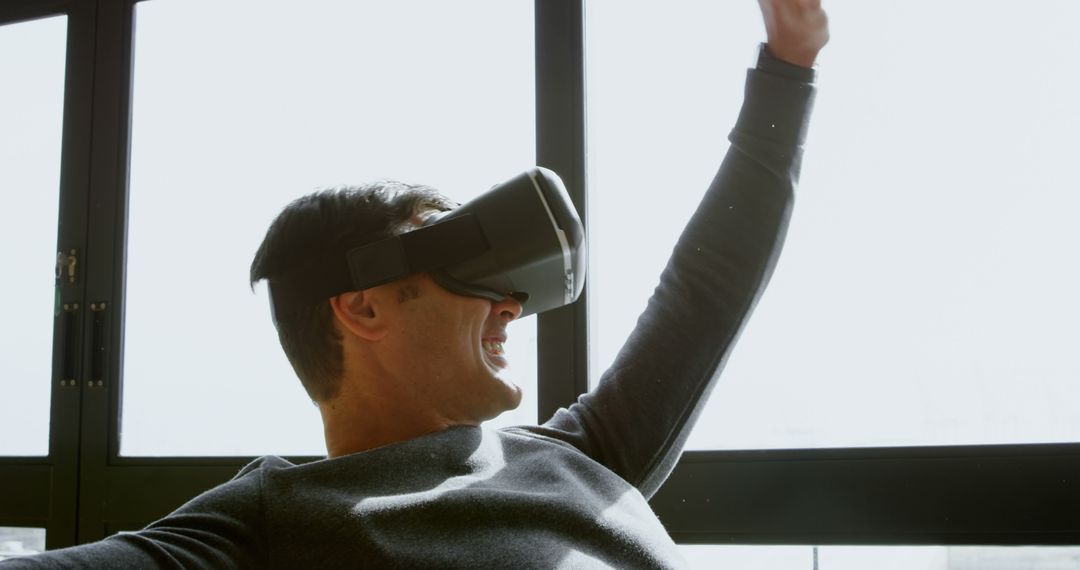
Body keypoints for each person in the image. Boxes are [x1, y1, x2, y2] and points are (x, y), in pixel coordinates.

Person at [4, 0, 828, 567]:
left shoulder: (585, 453)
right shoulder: (270, 522)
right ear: (361, 305)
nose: (511, 305)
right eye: (467, 269)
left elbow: (707, 290)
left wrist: (789, 68)